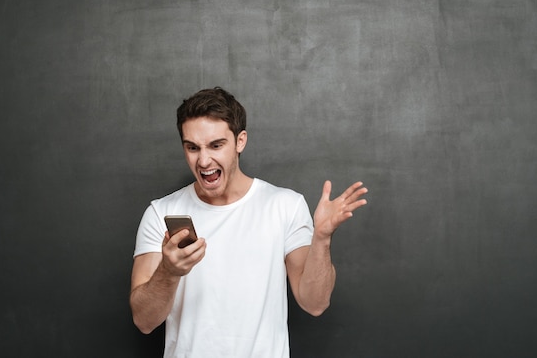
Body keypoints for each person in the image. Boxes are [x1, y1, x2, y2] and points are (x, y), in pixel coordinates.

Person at [130, 87, 368, 358]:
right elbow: (144, 321)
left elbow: (315, 303)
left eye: (216, 145)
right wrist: (169, 272)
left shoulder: (285, 206)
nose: (204, 160)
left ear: (240, 141)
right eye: (192, 148)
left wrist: (322, 238)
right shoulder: (161, 212)